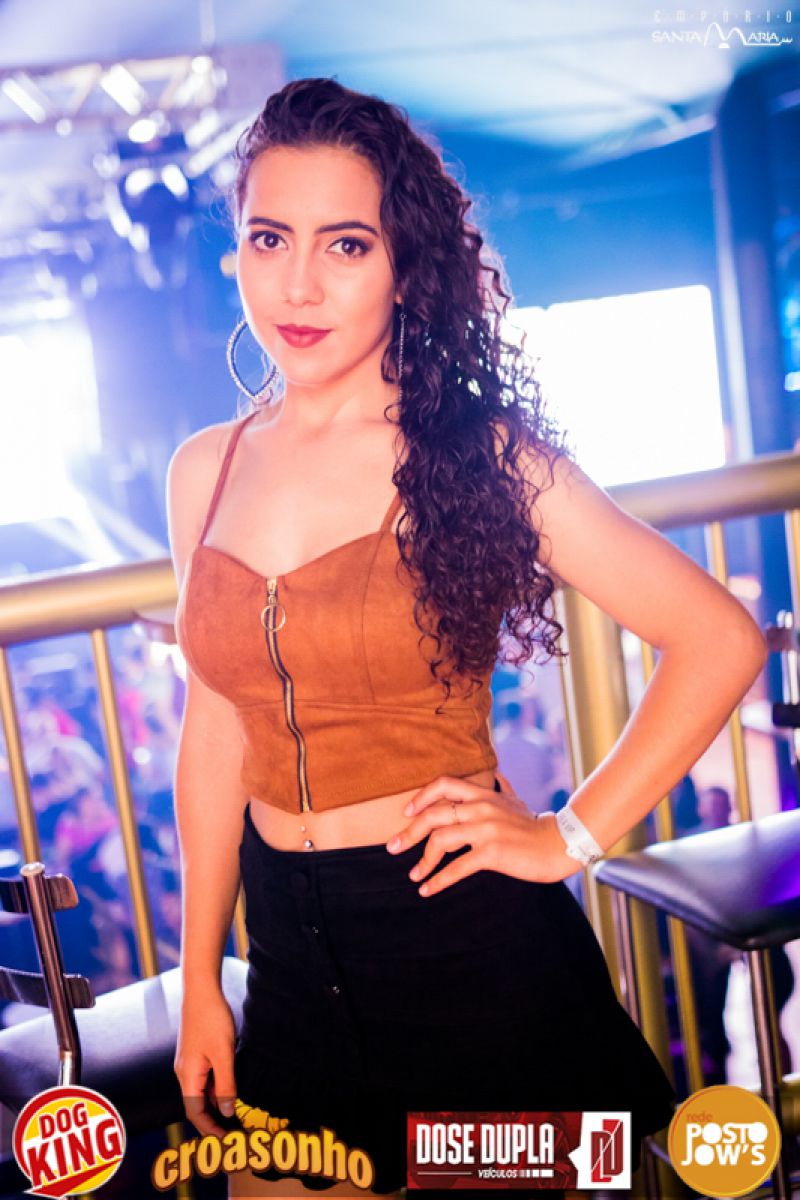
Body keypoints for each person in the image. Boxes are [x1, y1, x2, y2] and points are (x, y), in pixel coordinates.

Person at [166, 77, 768, 1199]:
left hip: (468, 954)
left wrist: (563, 838)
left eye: (346, 245)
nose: (298, 284)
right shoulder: (205, 468)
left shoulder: (476, 454)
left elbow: (717, 638)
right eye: (269, 238)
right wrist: (201, 976)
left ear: (404, 265)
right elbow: (214, 728)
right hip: (289, 965)